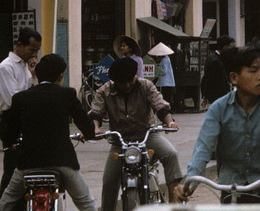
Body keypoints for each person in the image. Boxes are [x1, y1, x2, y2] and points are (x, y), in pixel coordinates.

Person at [174, 44, 260, 204]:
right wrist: (189, 183)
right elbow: (203, 148)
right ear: (234, 78)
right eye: (253, 71)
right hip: (232, 185)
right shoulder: (218, 109)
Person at [0, 54, 97, 211]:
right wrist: (89, 134)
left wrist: (10, 143)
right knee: (86, 203)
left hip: (28, 163)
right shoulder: (67, 94)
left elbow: (10, 132)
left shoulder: (20, 98)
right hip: (62, 161)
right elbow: (84, 122)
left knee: (7, 200)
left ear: (38, 75)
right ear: (60, 76)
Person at [89, 57, 182, 211]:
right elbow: (95, 112)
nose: (127, 85)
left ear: (135, 76)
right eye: (122, 82)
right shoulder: (104, 91)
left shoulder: (146, 86)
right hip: (120, 141)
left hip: (146, 135)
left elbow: (160, 105)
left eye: (130, 81)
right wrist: (95, 128)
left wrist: (169, 122)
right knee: (109, 181)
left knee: (171, 154)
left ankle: (175, 202)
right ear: (114, 82)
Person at [0, 27, 41, 198]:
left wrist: (34, 74)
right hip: (11, 118)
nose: (34, 54)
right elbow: (13, 99)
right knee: (12, 167)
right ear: (19, 45)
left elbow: (32, 89)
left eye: (36, 51)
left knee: (28, 165)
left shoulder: (26, 66)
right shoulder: (6, 67)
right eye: (31, 50)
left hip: (26, 117)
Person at [202, 35, 235, 105]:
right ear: (224, 47)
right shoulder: (216, 61)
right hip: (218, 97)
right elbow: (213, 81)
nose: (230, 49)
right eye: (229, 47)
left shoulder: (213, 57)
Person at [149, 42, 176, 107]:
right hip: (165, 83)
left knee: (165, 99)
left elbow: (164, 71)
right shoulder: (165, 59)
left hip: (166, 83)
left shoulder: (165, 59)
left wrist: (155, 65)